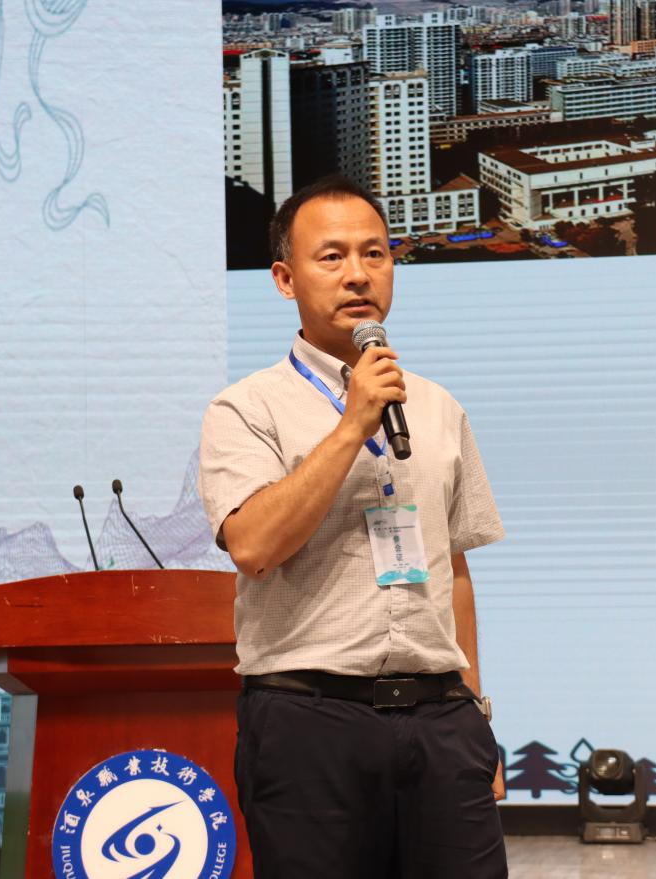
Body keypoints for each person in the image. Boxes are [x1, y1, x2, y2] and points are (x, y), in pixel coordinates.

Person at [197, 175, 507, 878]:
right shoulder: (245, 409)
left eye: (375, 253)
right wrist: (351, 425)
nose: (359, 274)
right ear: (285, 279)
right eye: (332, 256)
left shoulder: (437, 406)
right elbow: (253, 546)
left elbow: (453, 568)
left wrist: (478, 714)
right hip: (310, 722)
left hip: (441, 720)